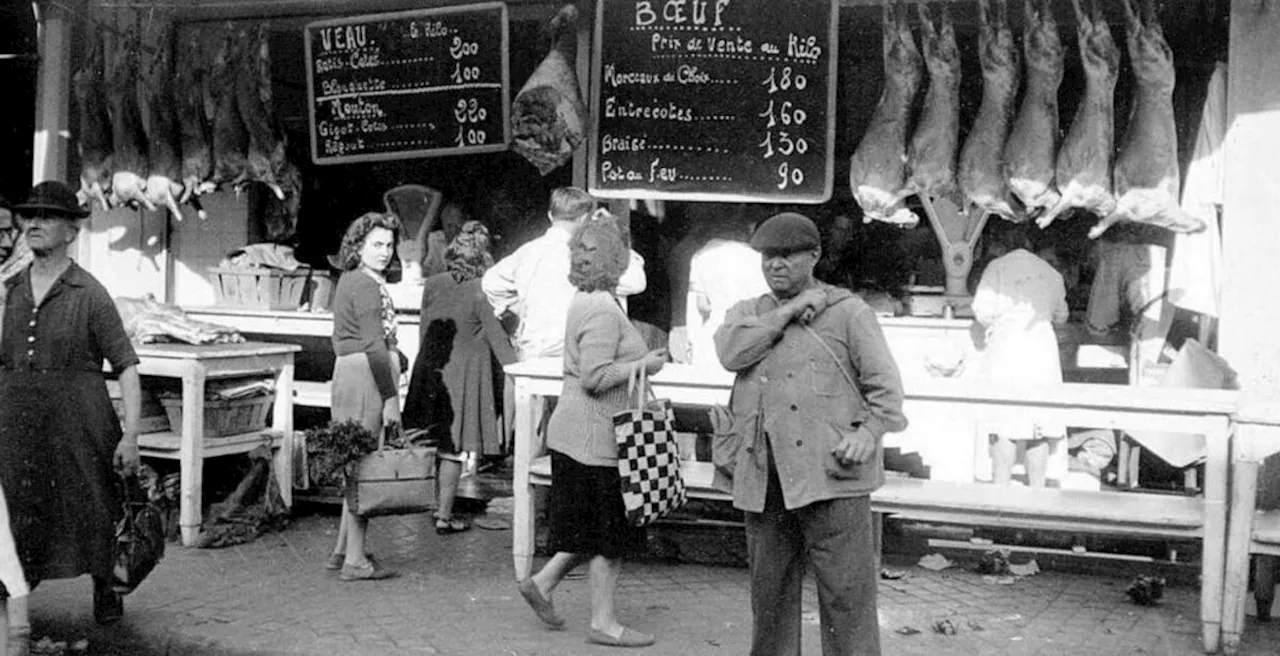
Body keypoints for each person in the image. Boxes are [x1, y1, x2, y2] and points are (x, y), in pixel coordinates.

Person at [714, 211, 907, 656]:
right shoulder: (747, 314)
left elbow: (888, 393)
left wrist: (868, 431)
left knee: (847, 600)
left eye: (787, 255)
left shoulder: (849, 313)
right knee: (770, 600)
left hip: (832, 475)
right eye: (767, 256)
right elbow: (730, 353)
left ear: (814, 256)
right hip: (766, 478)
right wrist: (785, 314)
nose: (775, 264)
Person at [0, 181, 143, 644]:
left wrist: (132, 436)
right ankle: (16, 589)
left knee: (93, 506)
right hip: (19, 419)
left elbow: (126, 365)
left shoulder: (90, 292)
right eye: (29, 215)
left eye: (48, 216)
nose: (34, 224)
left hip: (80, 420)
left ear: (72, 230)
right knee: (20, 504)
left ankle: (107, 585)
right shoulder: (12, 290)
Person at [516, 210, 666, 649]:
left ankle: (541, 584)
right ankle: (604, 624)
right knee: (609, 537)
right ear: (615, 262)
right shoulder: (602, 309)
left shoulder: (584, 301)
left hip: (578, 434)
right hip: (595, 438)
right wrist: (645, 363)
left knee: (588, 528)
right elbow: (594, 377)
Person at [403, 221, 516, 534]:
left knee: (435, 440)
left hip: (431, 369)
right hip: (464, 376)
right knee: (453, 448)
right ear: (485, 260)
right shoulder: (482, 292)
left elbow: (426, 326)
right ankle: (443, 514)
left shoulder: (433, 283)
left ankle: (434, 504)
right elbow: (499, 343)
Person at [481, 187, 646, 362]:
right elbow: (636, 282)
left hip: (534, 350)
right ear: (585, 219)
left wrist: (513, 315)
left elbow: (491, 283)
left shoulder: (528, 251)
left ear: (551, 216)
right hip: (575, 353)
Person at [325, 211, 403, 581]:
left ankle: (343, 549)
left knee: (352, 461)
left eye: (389, 245)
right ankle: (356, 560)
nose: (385, 252)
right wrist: (390, 397)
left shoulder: (351, 280)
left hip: (350, 371)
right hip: (366, 375)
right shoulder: (367, 285)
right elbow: (374, 345)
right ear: (358, 245)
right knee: (365, 467)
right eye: (376, 244)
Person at [971, 224, 1069, 487]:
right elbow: (1062, 315)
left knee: (1005, 423)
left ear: (1003, 243)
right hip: (1041, 351)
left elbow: (983, 312)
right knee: (1039, 426)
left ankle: (1001, 490)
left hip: (1007, 349)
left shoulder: (997, 267)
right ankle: (1036, 492)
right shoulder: (1050, 272)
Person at [684, 216, 768, 370]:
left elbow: (701, 305)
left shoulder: (701, 256)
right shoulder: (759, 258)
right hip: (750, 332)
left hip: (714, 331)